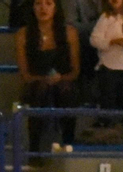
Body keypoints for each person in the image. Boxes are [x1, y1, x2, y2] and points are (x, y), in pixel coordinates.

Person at [17, 0, 83, 152]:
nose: (43, 8)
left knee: (66, 90)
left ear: (56, 8)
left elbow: (75, 71)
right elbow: (26, 75)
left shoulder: (69, 33)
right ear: (32, 8)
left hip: (64, 80)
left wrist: (60, 78)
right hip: (36, 82)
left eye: (48, 3)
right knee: (41, 90)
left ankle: (68, 142)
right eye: (38, 4)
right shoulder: (23, 35)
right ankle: (35, 148)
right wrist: (43, 79)